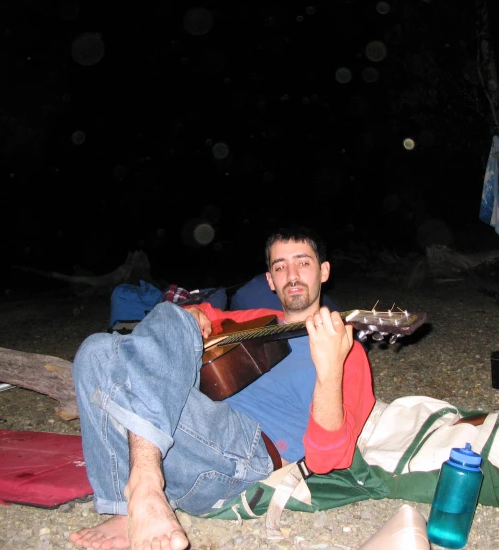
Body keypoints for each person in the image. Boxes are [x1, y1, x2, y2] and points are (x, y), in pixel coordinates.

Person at [69, 225, 376, 550]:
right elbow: (196, 318)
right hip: (188, 444)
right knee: (97, 349)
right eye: (280, 266)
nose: (292, 275)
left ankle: (145, 481)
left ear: (323, 271)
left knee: (147, 340)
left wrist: (328, 369)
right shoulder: (260, 319)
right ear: (270, 280)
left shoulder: (346, 350)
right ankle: (125, 506)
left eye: (303, 262)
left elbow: (330, 459)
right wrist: (196, 313)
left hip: (245, 460)